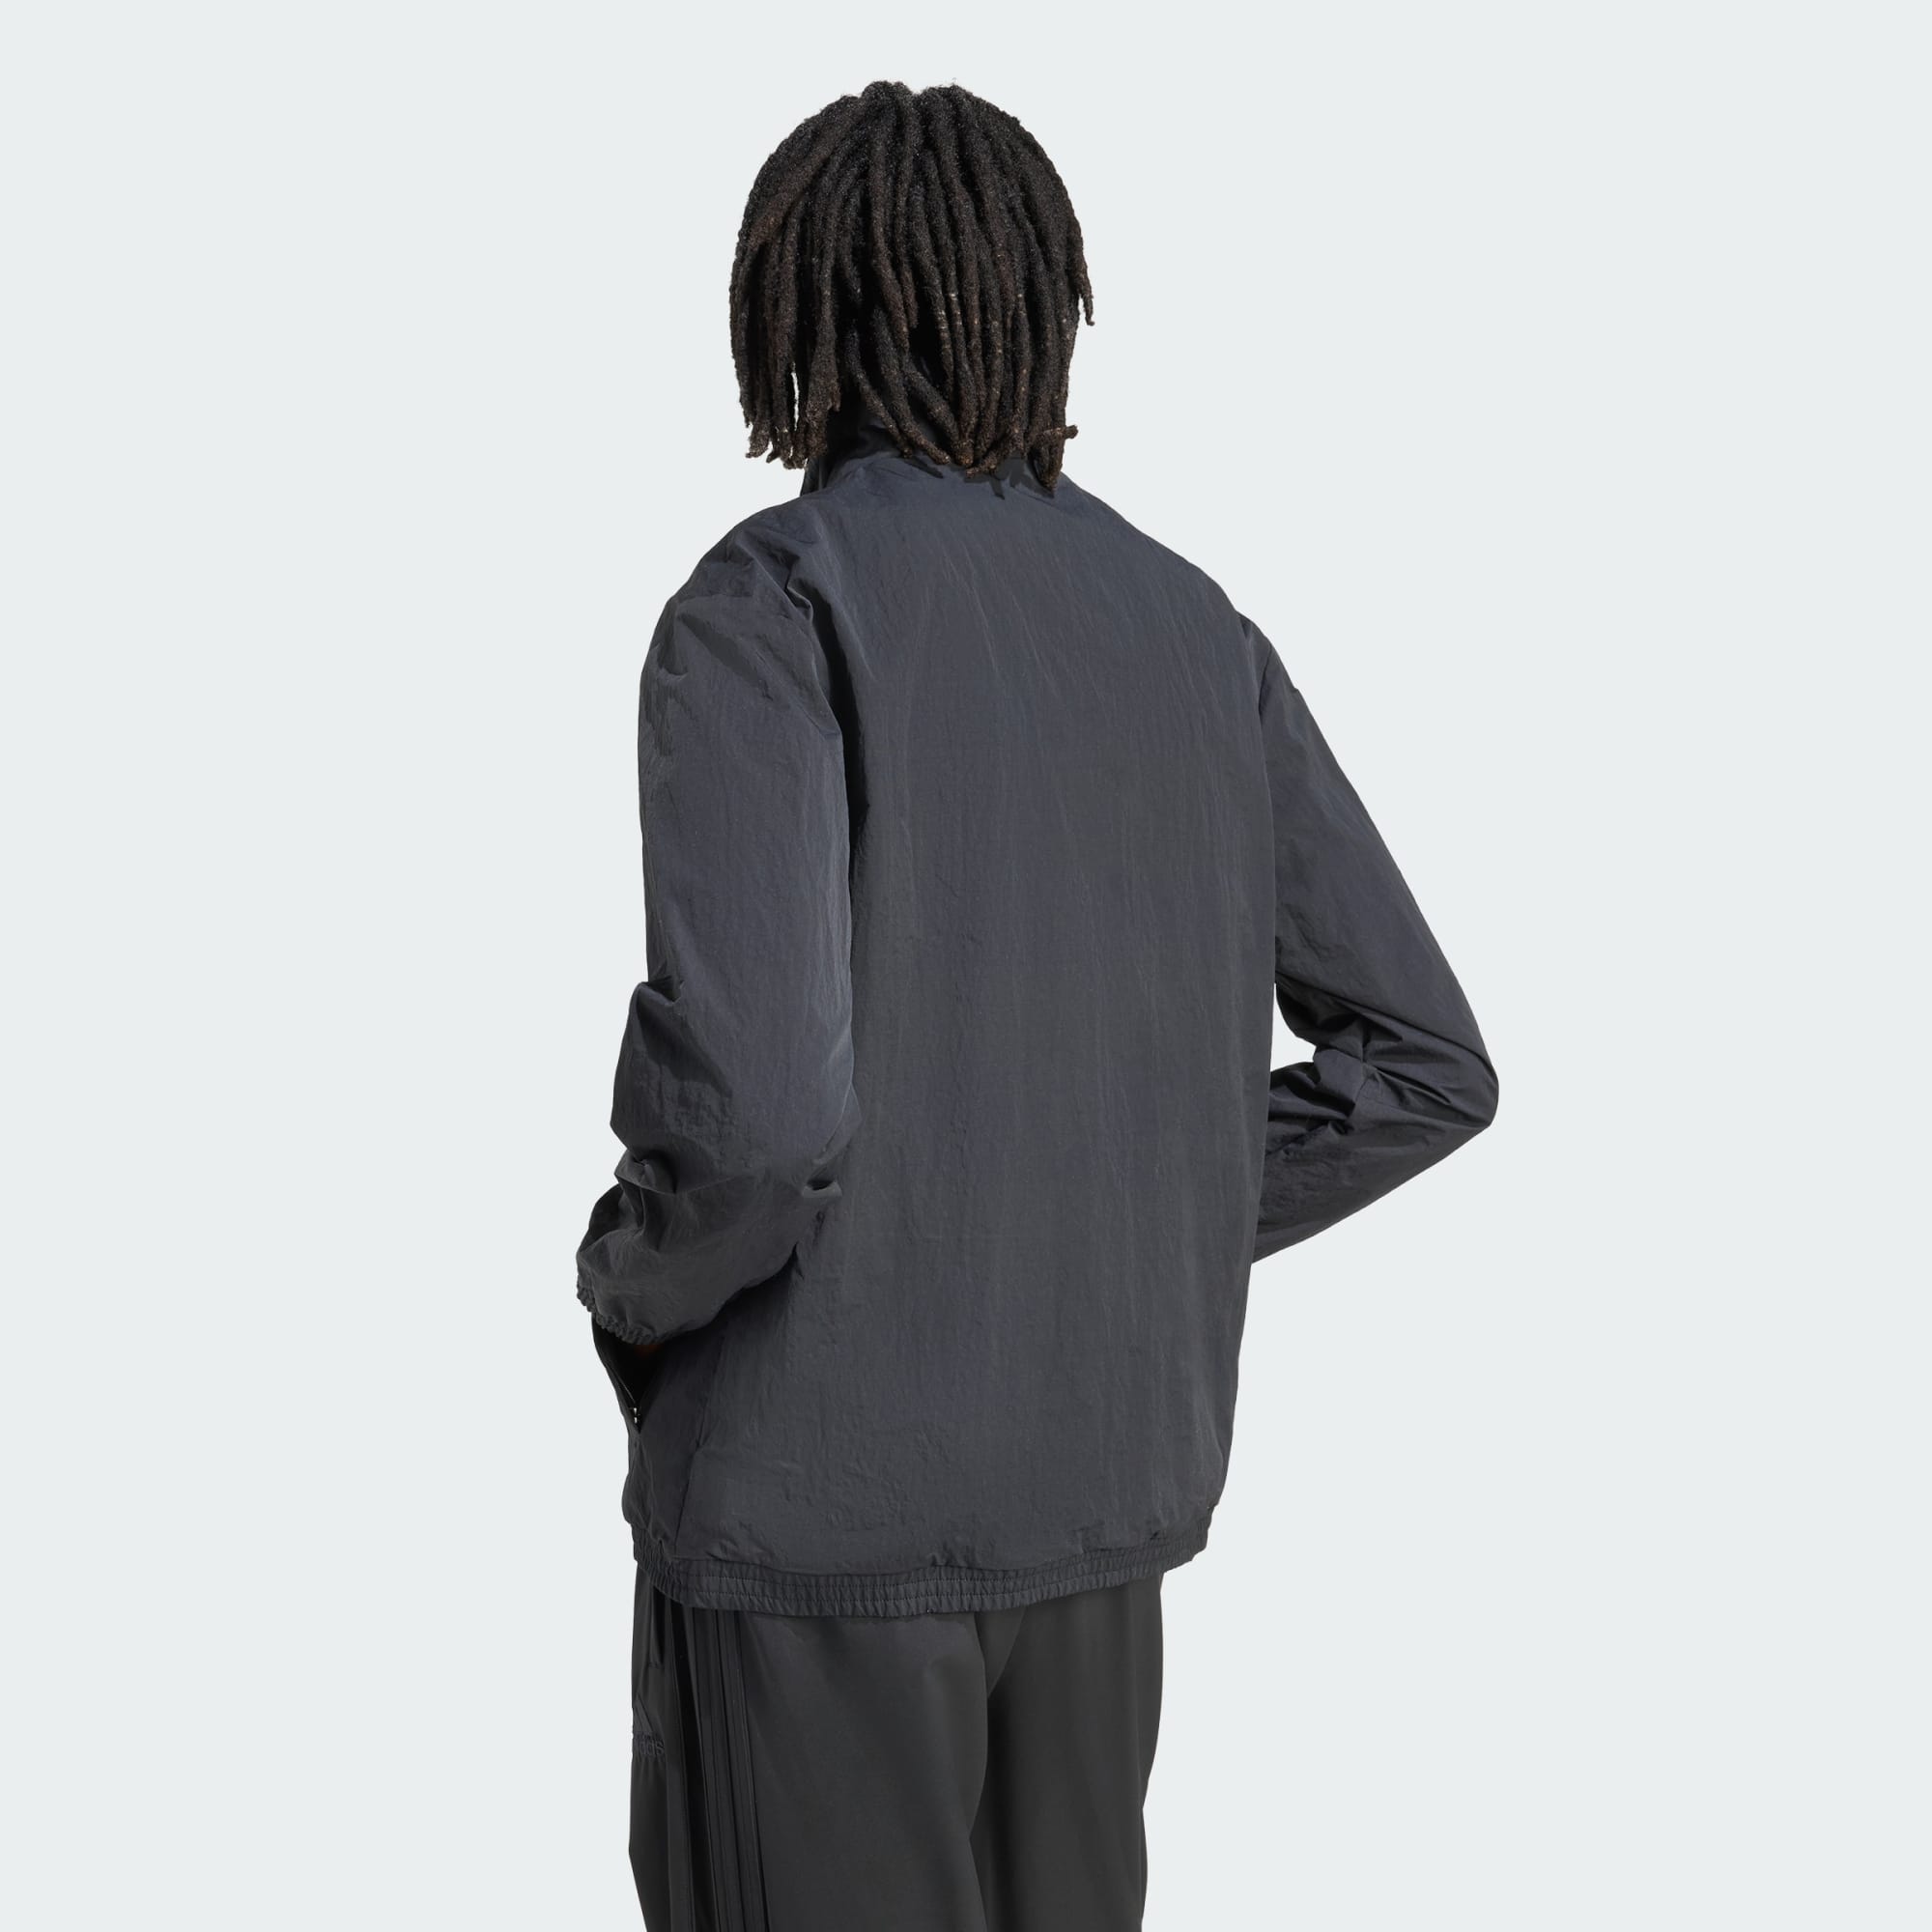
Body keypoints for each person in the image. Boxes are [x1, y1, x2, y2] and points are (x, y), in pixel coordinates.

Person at [576, 78, 1497, 1932]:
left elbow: (757, 1121)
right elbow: (1421, 1063)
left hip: (813, 1528)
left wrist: (632, 1280)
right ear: (1036, 307)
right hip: (1097, 1523)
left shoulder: (771, 606)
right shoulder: (1194, 630)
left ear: (797, 319)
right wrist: (1116, 1216)